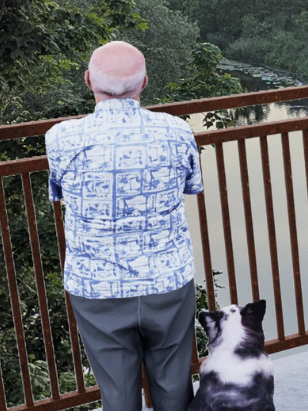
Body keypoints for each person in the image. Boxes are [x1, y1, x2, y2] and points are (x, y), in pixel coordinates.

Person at [47, 41, 203, 411]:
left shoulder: (61, 137)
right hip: (167, 279)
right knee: (175, 382)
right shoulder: (177, 131)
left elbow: (57, 192)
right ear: (144, 82)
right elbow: (192, 185)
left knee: (116, 391)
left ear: (88, 80)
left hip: (96, 287)